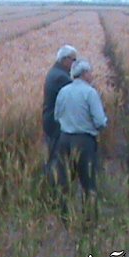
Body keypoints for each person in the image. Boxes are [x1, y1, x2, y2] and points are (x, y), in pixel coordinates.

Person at [52, 59, 108, 224]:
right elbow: (99, 121)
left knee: (65, 180)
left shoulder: (63, 91)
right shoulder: (90, 93)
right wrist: (102, 123)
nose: (92, 75)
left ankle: (64, 218)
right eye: (90, 72)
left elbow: (56, 116)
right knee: (87, 181)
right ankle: (89, 219)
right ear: (84, 74)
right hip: (84, 141)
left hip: (64, 140)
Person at [42, 45, 77, 157]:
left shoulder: (55, 72)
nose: (74, 64)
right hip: (56, 124)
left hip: (51, 120)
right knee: (58, 158)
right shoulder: (61, 77)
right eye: (73, 60)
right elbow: (75, 98)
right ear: (65, 59)